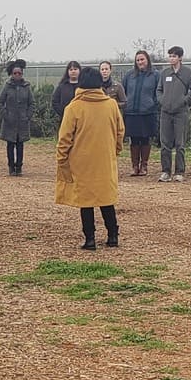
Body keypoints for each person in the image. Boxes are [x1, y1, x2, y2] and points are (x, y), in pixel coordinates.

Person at [55, 64, 124, 250]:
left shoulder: (74, 107)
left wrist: (62, 159)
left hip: (81, 161)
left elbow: (65, 138)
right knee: (106, 198)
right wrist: (115, 150)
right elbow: (120, 131)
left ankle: (90, 239)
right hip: (105, 159)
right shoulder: (111, 104)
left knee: (85, 201)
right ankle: (113, 235)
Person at [156, 46, 191, 182]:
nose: (171, 59)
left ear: (180, 57)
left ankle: (179, 171)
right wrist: (162, 100)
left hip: (181, 112)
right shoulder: (164, 73)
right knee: (165, 143)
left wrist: (184, 100)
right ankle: (165, 171)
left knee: (180, 143)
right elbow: (159, 90)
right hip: (165, 112)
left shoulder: (188, 73)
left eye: (174, 56)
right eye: (170, 56)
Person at [123, 50, 159, 176]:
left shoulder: (154, 75)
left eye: (142, 59)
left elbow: (158, 92)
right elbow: (124, 91)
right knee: (134, 139)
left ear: (147, 60)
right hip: (131, 112)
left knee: (145, 139)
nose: (140, 62)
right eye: (138, 60)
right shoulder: (129, 75)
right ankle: (134, 166)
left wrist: (152, 104)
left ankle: (144, 165)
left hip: (147, 112)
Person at [0, 60, 34, 175]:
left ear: (22, 73)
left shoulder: (27, 87)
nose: (17, 75)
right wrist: (6, 115)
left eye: (19, 73)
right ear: (12, 74)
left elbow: (31, 103)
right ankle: (11, 167)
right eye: (15, 73)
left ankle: (19, 167)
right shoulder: (7, 86)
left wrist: (28, 116)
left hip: (23, 121)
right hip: (10, 121)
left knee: (20, 145)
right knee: (10, 145)